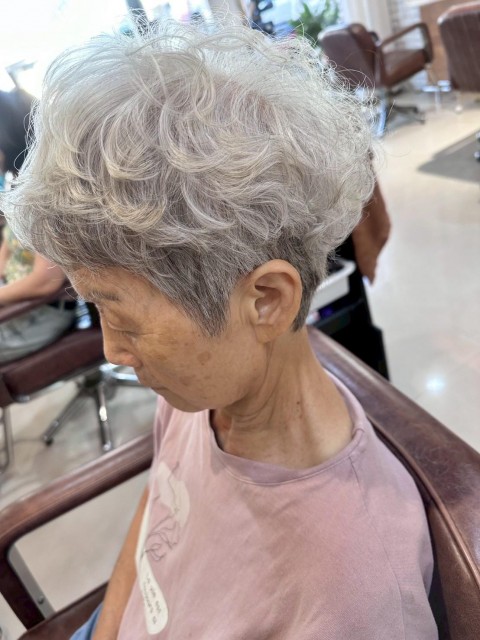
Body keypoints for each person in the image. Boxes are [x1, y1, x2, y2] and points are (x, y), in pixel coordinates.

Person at [1, 19, 437, 640]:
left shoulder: (353, 598)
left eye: (121, 316)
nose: (112, 350)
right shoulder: (201, 393)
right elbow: (157, 525)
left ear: (266, 301)